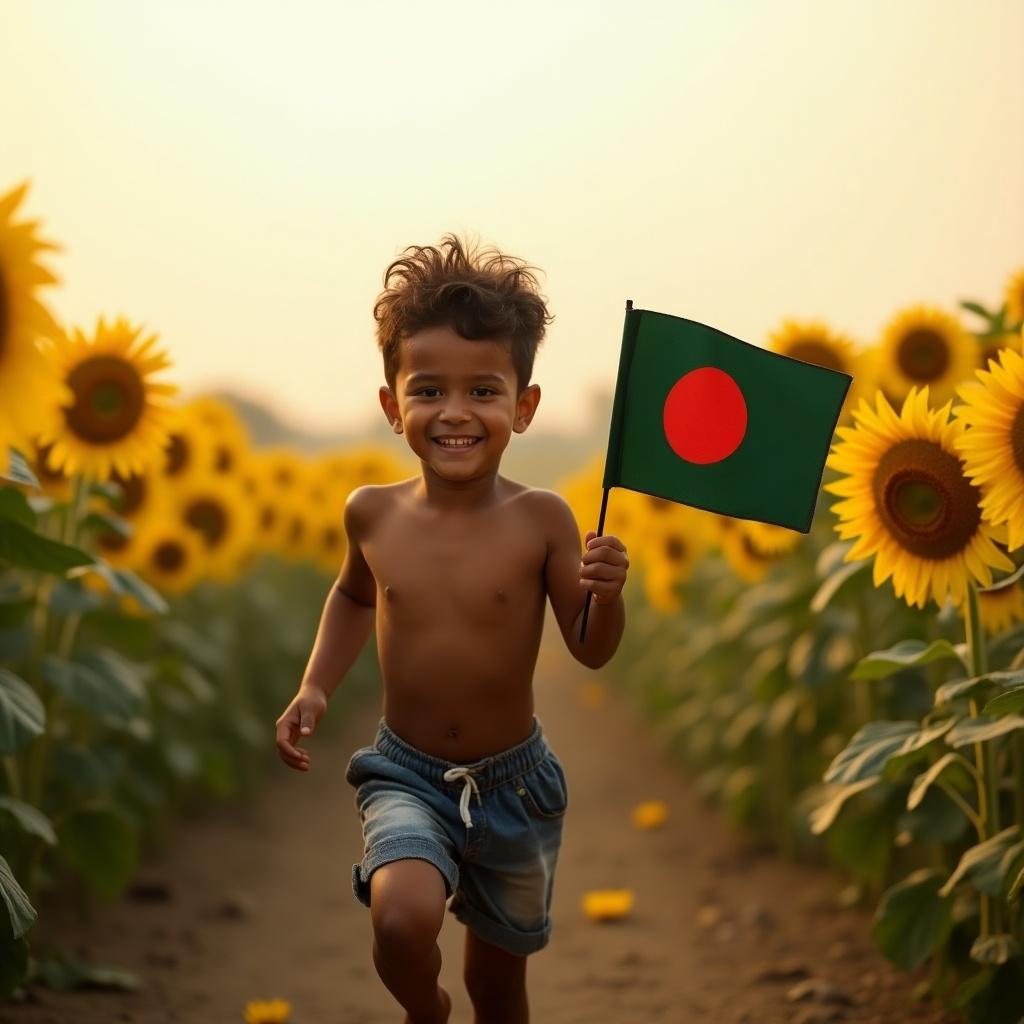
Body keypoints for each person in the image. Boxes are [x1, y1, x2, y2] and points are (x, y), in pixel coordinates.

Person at [275, 233, 628, 1024]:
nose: (455, 413)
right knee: (401, 919)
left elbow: (590, 648)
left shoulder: (543, 520)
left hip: (519, 787)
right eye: (429, 389)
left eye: (484, 390)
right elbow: (353, 599)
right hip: (407, 775)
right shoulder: (371, 512)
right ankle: (424, 1009)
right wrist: (314, 685)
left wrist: (606, 594)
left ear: (523, 407)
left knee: (498, 989)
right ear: (392, 405)